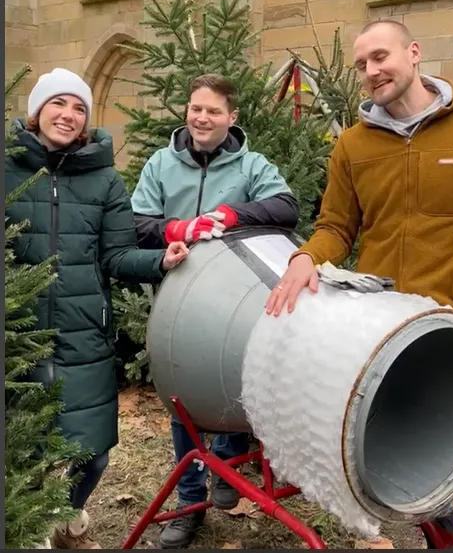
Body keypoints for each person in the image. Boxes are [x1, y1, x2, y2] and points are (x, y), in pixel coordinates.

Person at [265, 19, 453, 547]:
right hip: (388, 323)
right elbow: (336, 226)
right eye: (361, 65)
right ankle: (441, 528)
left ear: (414, 52)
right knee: (425, 432)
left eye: (380, 57)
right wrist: (306, 258)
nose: (371, 71)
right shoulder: (353, 145)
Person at [5, 68, 189, 550]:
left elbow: (117, 255)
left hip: (83, 330)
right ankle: (28, 531)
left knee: (94, 453)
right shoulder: (7, 169)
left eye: (79, 108)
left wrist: (160, 260)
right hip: (18, 334)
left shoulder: (104, 179)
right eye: (58, 103)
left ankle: (67, 520)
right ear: (37, 110)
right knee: (25, 449)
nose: (68, 115)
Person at [131, 73, 299, 548]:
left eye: (213, 111)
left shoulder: (251, 165)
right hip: (178, 298)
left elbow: (286, 207)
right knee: (182, 398)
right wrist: (177, 229)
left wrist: (232, 215)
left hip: (232, 302)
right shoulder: (161, 164)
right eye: (196, 108)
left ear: (232, 117)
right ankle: (189, 502)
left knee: (232, 379)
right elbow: (137, 222)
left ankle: (228, 462)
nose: (202, 118)